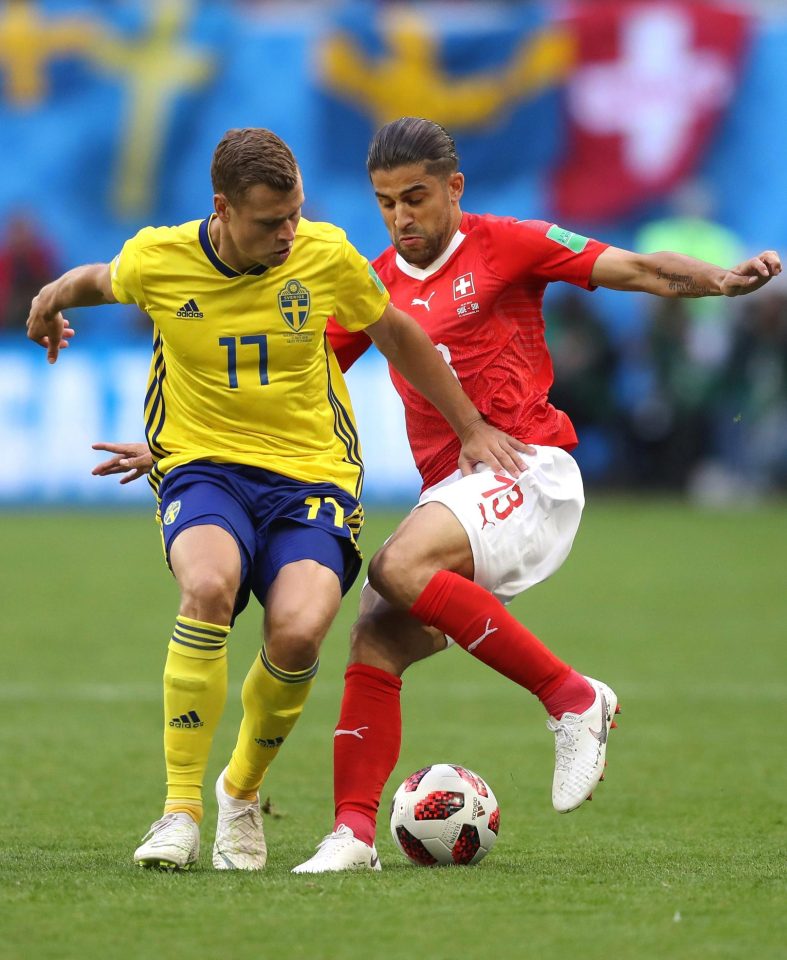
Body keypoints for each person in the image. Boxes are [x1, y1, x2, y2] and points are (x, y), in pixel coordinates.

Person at [93, 118, 781, 874]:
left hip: (526, 466)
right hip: (458, 491)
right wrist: (178, 445)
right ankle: (352, 834)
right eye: (386, 202)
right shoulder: (375, 280)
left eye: (415, 197)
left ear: (453, 188)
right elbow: (279, 381)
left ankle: (572, 698)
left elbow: (634, 268)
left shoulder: (509, 243)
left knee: (393, 566)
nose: (401, 217)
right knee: (375, 635)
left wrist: (719, 281)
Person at [26, 126, 527, 872]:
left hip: (311, 477)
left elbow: (394, 331)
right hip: (203, 465)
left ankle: (240, 793)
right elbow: (99, 280)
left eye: (294, 214)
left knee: (297, 633)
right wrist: (48, 300)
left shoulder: (324, 256)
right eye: (269, 222)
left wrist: (470, 426)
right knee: (207, 585)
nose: (288, 233)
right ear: (221, 209)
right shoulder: (161, 258)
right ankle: (180, 810)